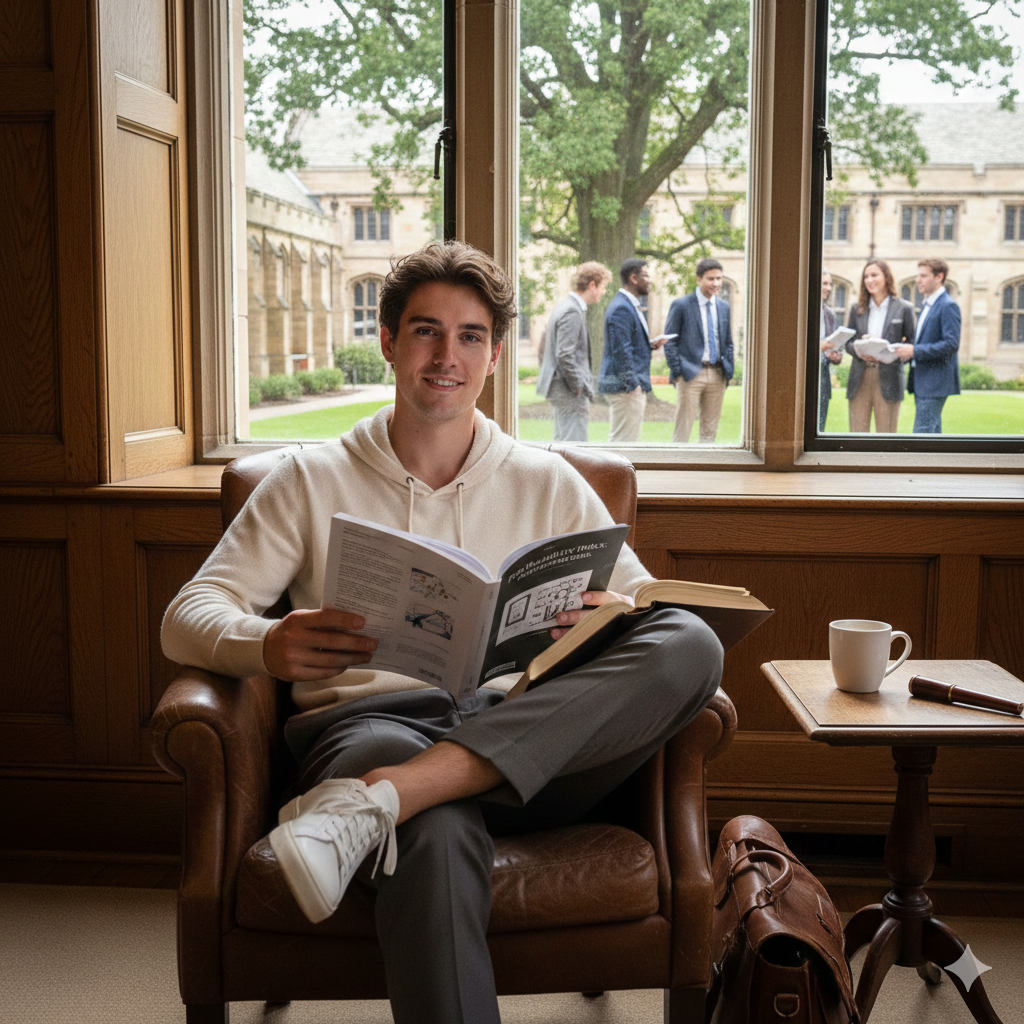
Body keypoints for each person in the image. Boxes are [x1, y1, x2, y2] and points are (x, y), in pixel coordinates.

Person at [161, 241, 723, 1024]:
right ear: (389, 341)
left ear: (495, 355)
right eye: (426, 331)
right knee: (436, 828)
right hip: (374, 729)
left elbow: (641, 609)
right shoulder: (307, 477)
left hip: (531, 737)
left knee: (692, 640)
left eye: (469, 337)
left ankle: (379, 803)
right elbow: (188, 614)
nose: (446, 356)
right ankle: (400, 792)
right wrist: (268, 643)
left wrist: (599, 617)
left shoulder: (549, 482)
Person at [535, 261, 611, 441]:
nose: (604, 291)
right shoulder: (572, 311)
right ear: (592, 285)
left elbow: (546, 348)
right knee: (574, 446)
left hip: (562, 389)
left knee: (562, 444)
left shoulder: (563, 307)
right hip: (568, 391)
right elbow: (564, 354)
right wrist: (579, 387)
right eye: (603, 286)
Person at [662, 258, 735, 443]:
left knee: (709, 433)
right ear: (698, 279)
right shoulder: (682, 305)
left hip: (717, 374)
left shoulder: (723, 306)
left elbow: (728, 341)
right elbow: (669, 341)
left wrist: (728, 370)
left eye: (719, 278)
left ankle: (706, 463)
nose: (716, 283)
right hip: (690, 374)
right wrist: (678, 371)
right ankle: (678, 462)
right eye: (711, 279)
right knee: (682, 431)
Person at [597, 258, 669, 442]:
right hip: (625, 388)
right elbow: (621, 350)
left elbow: (625, 342)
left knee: (626, 441)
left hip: (627, 386)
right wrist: (632, 384)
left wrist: (648, 344)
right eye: (646, 276)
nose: (650, 281)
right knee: (624, 443)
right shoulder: (622, 308)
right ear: (634, 278)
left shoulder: (628, 305)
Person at [844, 258, 916, 433]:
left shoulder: (904, 308)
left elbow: (912, 344)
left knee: (886, 436)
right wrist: (859, 350)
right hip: (860, 376)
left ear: (886, 277)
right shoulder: (857, 308)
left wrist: (895, 353)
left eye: (874, 275)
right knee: (857, 436)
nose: (869, 280)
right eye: (866, 276)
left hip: (889, 378)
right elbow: (847, 342)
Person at [893, 258, 961, 433]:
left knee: (921, 436)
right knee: (933, 436)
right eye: (918, 276)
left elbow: (951, 344)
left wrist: (914, 351)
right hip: (923, 381)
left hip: (935, 383)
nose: (918, 280)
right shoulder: (929, 304)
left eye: (923, 276)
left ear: (939, 277)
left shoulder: (948, 305)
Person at [818, 268, 843, 432]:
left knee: (820, 429)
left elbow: (832, 344)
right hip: (801, 378)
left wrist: (836, 355)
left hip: (823, 379)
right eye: (824, 283)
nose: (828, 288)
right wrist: (820, 346)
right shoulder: (800, 310)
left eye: (830, 284)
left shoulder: (830, 314)